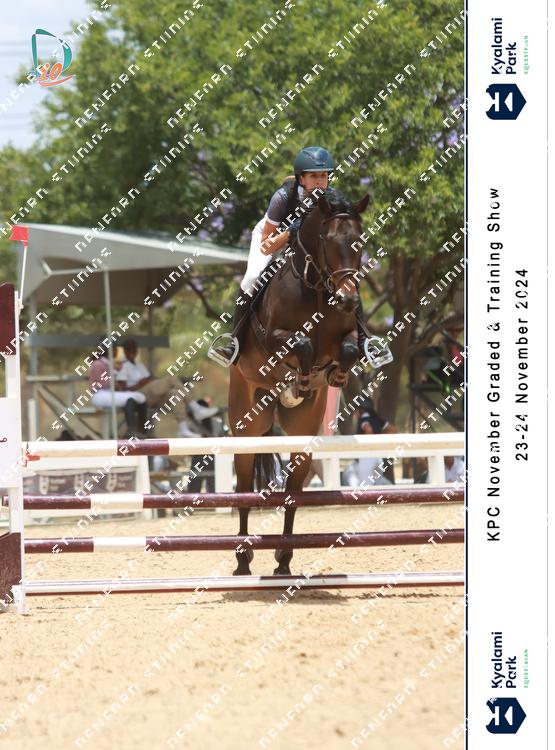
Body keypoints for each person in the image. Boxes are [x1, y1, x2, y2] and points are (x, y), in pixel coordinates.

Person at [210, 146, 373, 366]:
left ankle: (365, 340)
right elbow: (266, 246)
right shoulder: (283, 197)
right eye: (313, 176)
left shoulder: (333, 198)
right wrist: (291, 231)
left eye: (323, 175)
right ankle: (234, 343)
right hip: (273, 237)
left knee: (347, 280)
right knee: (252, 277)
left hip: (307, 246)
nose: (319, 181)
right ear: (301, 178)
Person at [116, 339, 219, 437]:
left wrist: (152, 380)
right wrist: (139, 384)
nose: (132, 352)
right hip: (139, 395)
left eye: (134, 349)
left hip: (153, 395)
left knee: (175, 393)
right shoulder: (124, 366)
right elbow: (123, 390)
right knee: (171, 379)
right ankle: (196, 408)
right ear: (125, 351)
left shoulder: (139, 365)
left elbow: (149, 378)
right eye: (129, 349)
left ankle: (183, 429)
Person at [88, 341, 147, 437]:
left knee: (141, 397)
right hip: (100, 394)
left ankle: (142, 431)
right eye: (115, 349)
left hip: (110, 393)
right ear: (110, 350)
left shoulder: (111, 364)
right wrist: (116, 381)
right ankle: (131, 431)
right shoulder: (98, 364)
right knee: (130, 398)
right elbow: (103, 384)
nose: (117, 351)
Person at [342, 398, 397, 487]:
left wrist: (371, 439)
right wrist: (379, 438)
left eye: (356, 410)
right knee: (377, 485)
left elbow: (368, 429)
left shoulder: (363, 419)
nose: (355, 413)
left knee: (366, 489)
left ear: (361, 410)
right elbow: (393, 429)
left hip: (367, 458)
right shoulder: (377, 419)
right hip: (378, 459)